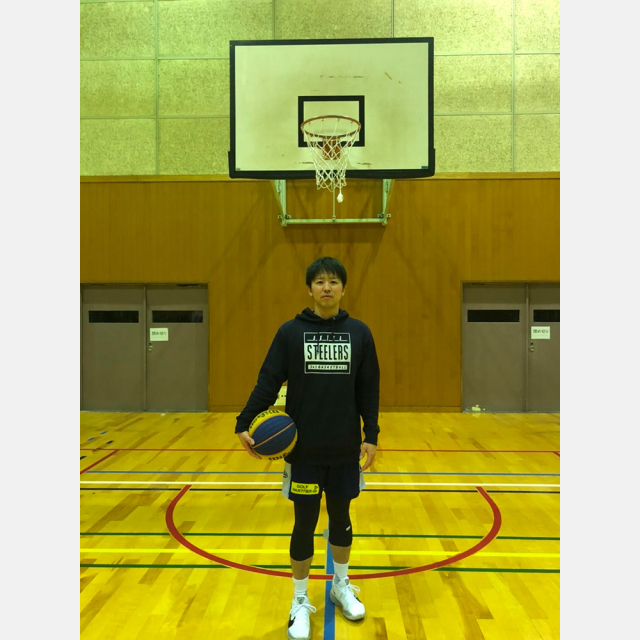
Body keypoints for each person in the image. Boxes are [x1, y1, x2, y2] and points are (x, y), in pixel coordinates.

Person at [235, 256, 380, 640]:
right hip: (304, 452)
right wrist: (243, 421)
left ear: (343, 288)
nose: (326, 287)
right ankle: (299, 600)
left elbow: (369, 389)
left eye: (333, 281)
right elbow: (268, 380)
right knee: (304, 523)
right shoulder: (290, 333)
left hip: (344, 449)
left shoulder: (359, 333)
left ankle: (340, 585)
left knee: (341, 518)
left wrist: (371, 434)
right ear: (310, 289)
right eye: (319, 282)